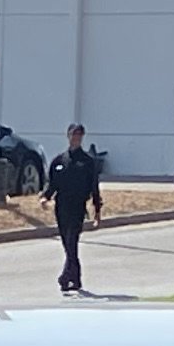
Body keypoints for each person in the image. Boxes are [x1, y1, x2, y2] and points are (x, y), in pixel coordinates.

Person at [43, 123, 104, 296]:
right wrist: (44, 197)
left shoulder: (88, 162)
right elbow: (52, 185)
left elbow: (94, 188)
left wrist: (97, 213)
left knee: (72, 242)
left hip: (77, 208)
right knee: (66, 243)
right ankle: (74, 279)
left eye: (79, 135)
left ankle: (65, 277)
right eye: (73, 135)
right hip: (61, 208)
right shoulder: (59, 161)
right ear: (68, 136)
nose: (76, 138)